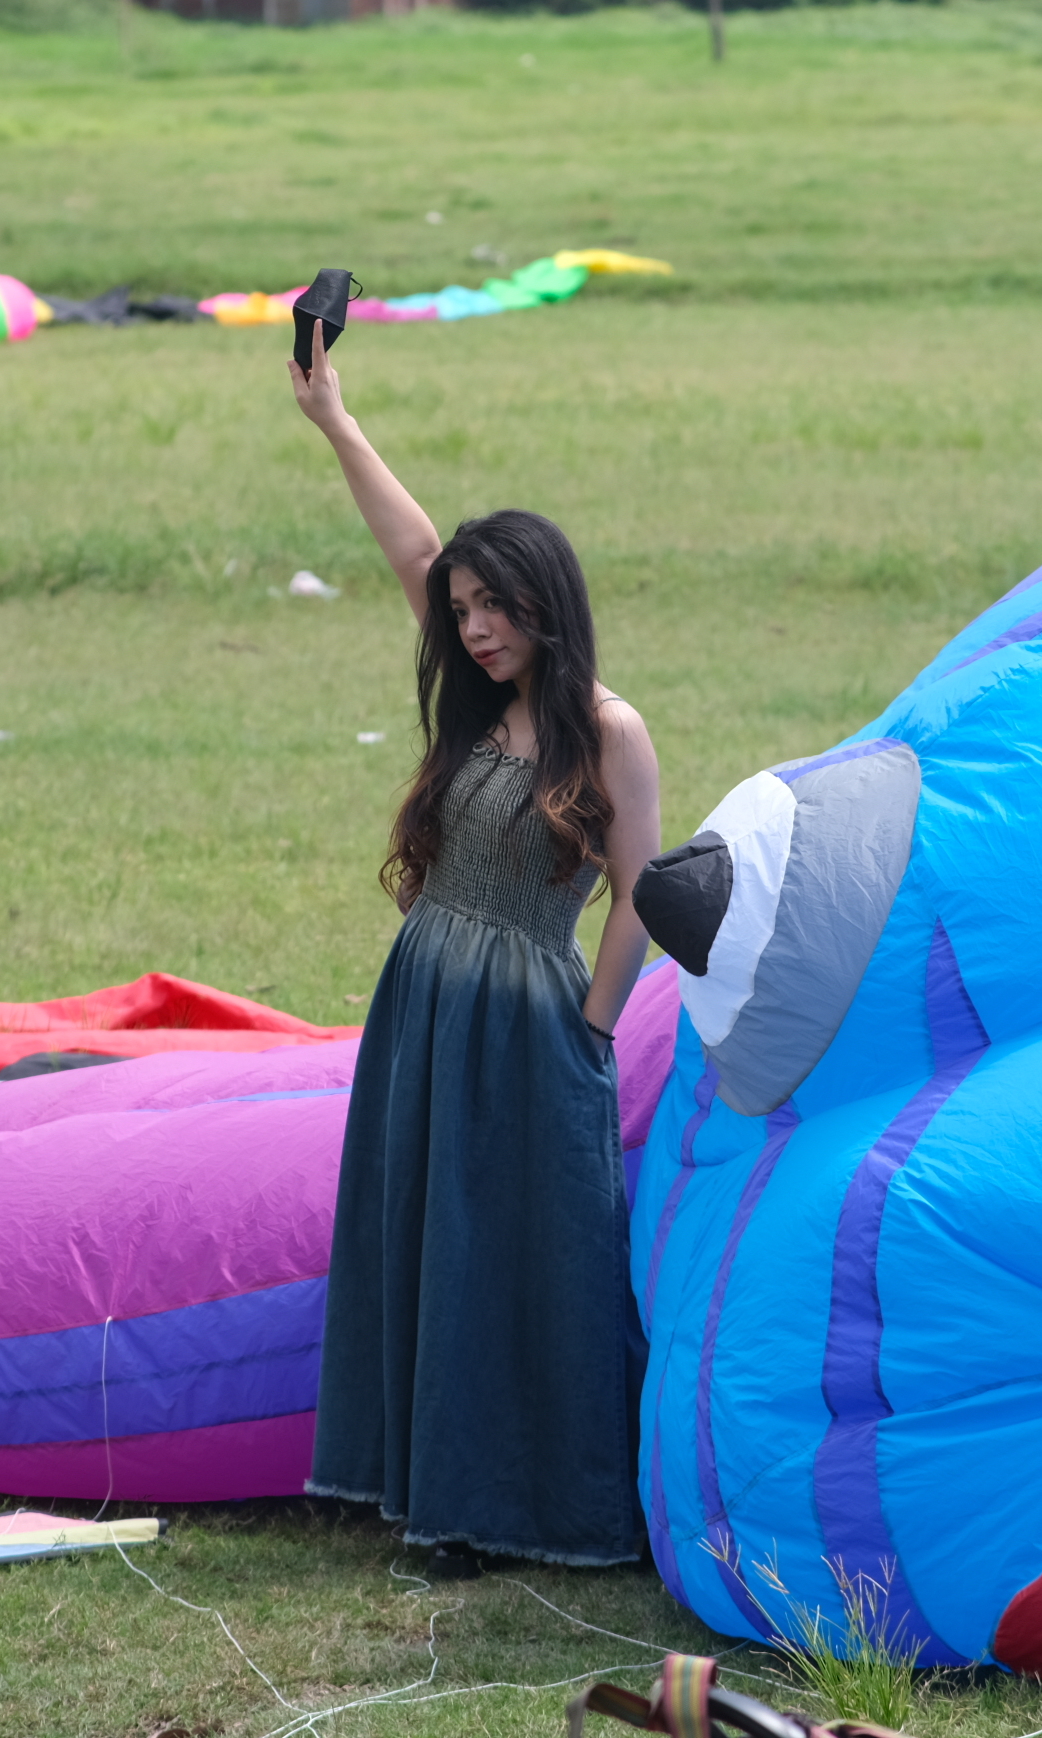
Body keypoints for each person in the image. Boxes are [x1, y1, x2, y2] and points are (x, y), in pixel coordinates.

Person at [289, 320, 661, 1574]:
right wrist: (335, 416)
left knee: (513, 1255)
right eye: (462, 609)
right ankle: (414, 1483)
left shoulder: (610, 732)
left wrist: (594, 1029)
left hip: (529, 1013)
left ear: (547, 607)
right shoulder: (477, 704)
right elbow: (409, 540)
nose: (477, 626)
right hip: (426, 996)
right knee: (416, 1231)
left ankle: (507, 1505)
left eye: (497, 606)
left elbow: (640, 892)